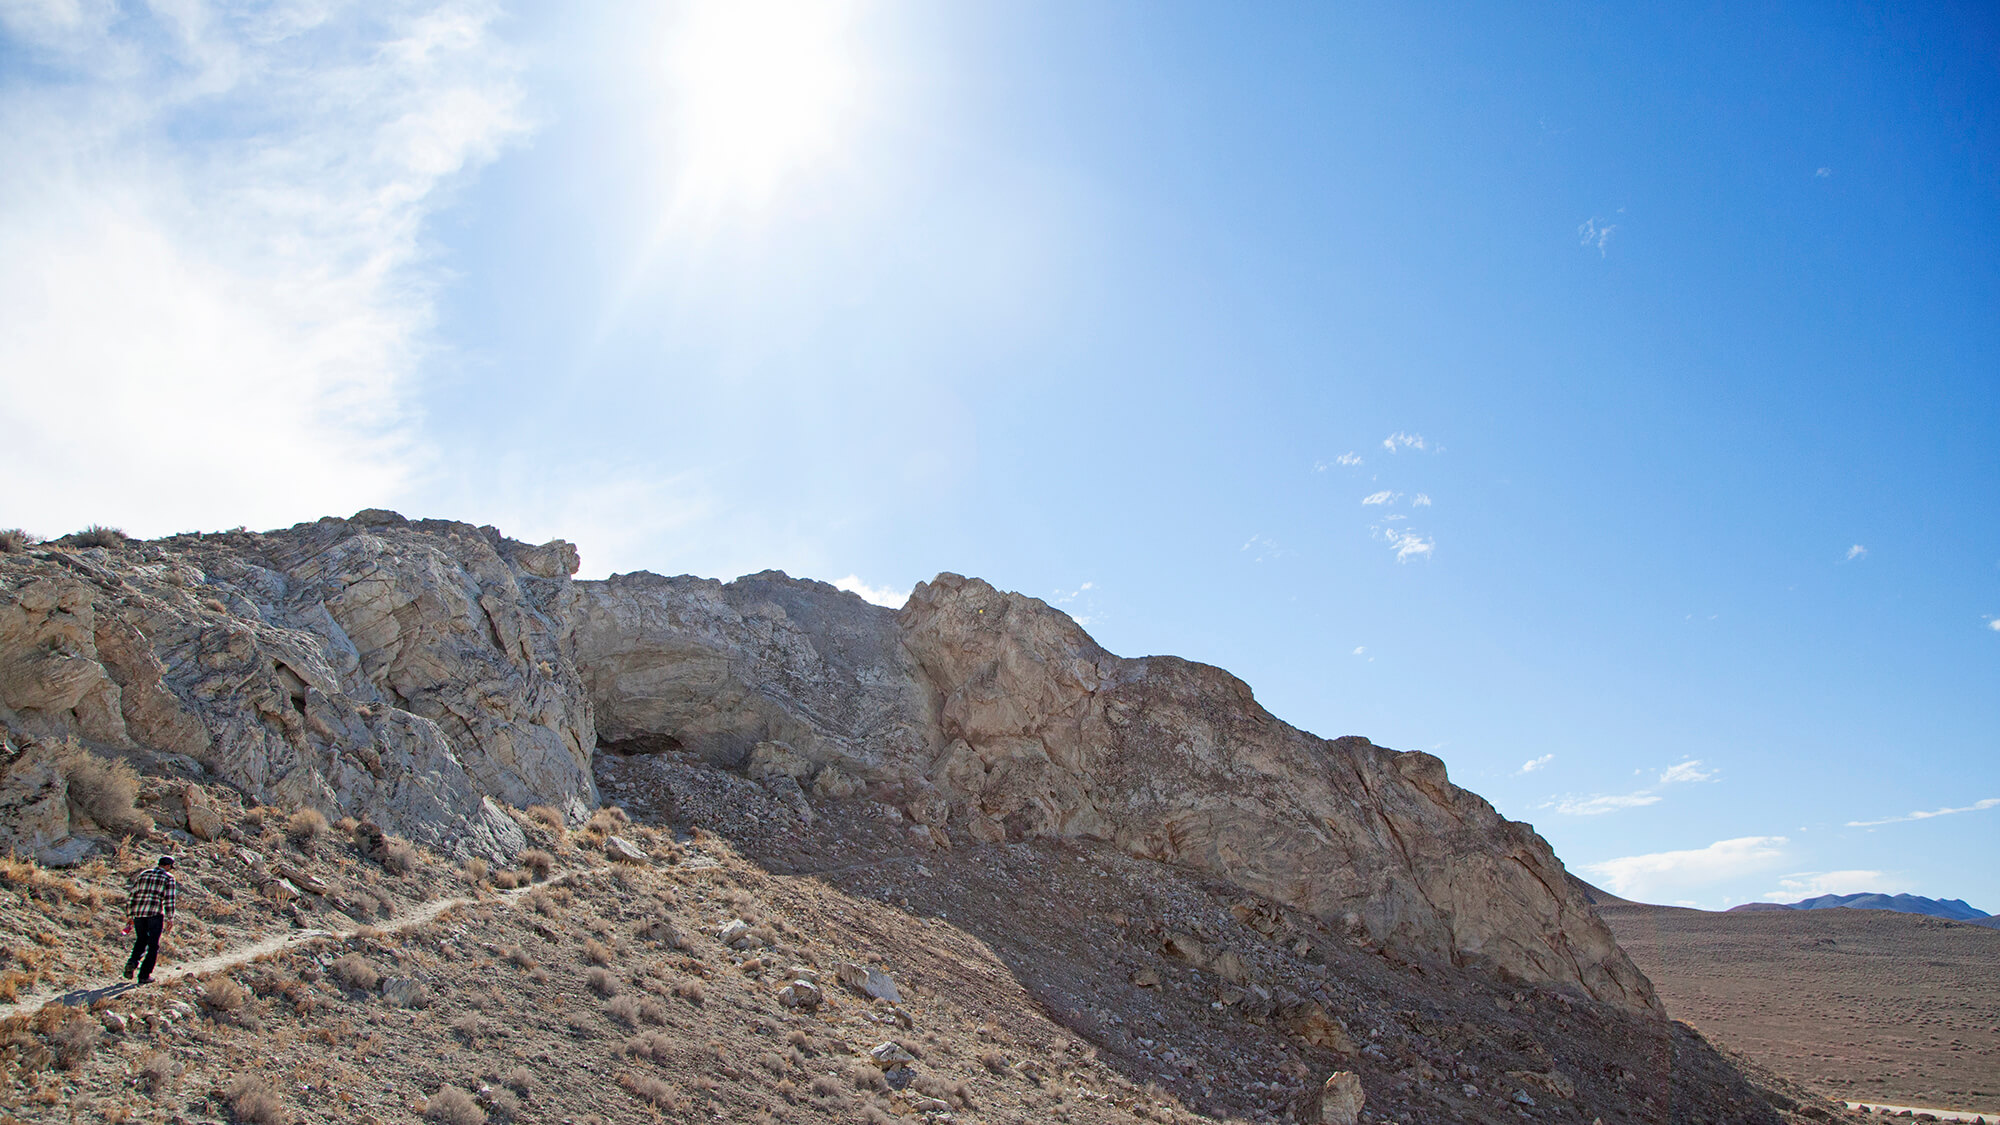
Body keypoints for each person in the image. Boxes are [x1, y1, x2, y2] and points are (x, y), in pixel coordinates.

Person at [122, 855, 177, 984]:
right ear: (168, 866)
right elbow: (169, 900)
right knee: (153, 945)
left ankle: (132, 962)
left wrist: (130, 915)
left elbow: (132, 895)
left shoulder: (144, 874)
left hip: (139, 914)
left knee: (141, 940)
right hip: (154, 914)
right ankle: (144, 975)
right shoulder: (168, 878)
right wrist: (170, 918)